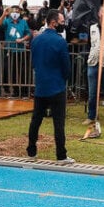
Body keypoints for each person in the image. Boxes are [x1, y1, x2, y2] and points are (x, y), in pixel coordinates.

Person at [26, 10, 73, 163]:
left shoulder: (36, 40)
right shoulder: (60, 41)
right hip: (57, 86)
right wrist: (65, 78)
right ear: (53, 22)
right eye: (62, 21)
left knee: (36, 120)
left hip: (40, 86)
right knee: (58, 122)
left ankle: (31, 151)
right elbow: (66, 65)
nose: (63, 24)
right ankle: (61, 155)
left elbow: (33, 63)